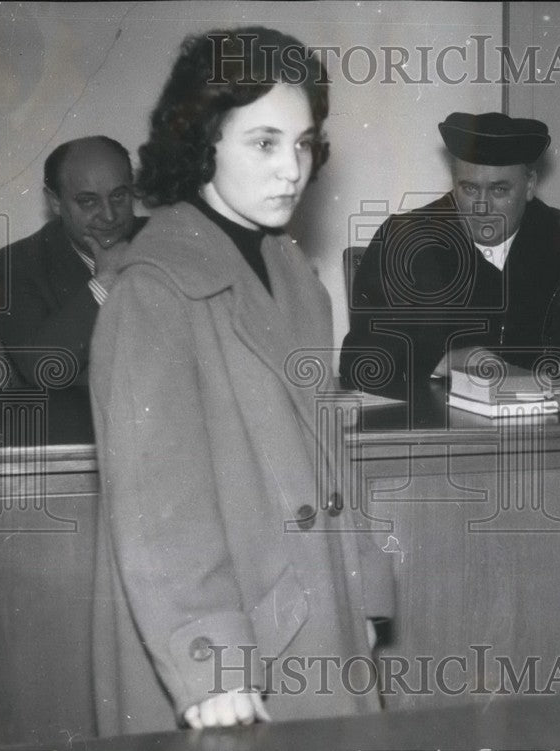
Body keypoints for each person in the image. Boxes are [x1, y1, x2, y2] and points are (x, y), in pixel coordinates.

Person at [88, 27, 393, 735]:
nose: (292, 167)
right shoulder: (155, 292)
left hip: (308, 609)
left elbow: (330, 455)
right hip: (230, 645)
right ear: (203, 144)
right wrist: (212, 664)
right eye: (263, 142)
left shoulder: (291, 275)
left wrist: (363, 591)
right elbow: (160, 512)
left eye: (305, 142)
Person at [340, 111, 560, 392]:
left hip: (552, 433)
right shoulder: (405, 240)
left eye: (499, 190)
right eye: (469, 188)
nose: (482, 207)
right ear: (453, 181)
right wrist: (443, 361)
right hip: (446, 437)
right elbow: (359, 361)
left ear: (530, 185)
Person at [0, 136, 146, 389]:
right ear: (55, 202)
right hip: (76, 423)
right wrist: (104, 281)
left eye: (119, 196)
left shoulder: (165, 240)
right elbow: (43, 368)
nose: (109, 215)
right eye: (88, 201)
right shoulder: (17, 264)